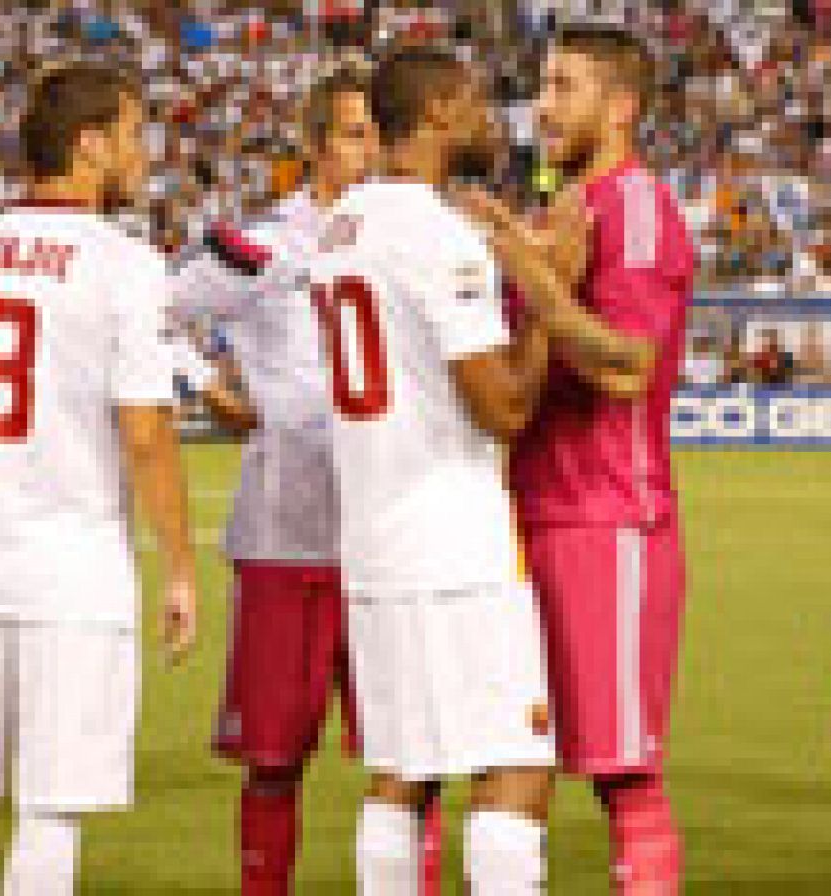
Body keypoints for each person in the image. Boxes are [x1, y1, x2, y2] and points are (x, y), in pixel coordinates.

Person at [0, 60, 201, 896]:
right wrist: (179, 566)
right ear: (89, 144)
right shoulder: (122, 263)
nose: (143, 154)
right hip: (71, 571)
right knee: (49, 806)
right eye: (132, 134)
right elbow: (145, 433)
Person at [173, 69, 445, 895]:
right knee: (273, 761)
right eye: (355, 134)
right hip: (287, 535)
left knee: (412, 759)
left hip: (390, 538)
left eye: (378, 134)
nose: (371, 151)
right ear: (315, 146)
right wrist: (206, 386)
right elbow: (153, 313)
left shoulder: (412, 236)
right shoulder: (265, 244)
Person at [307, 46, 556, 894]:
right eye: (480, 104)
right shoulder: (436, 233)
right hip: (453, 544)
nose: (494, 122)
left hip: (375, 543)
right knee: (516, 765)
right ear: (443, 110)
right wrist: (549, 302)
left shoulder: (338, 227)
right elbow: (505, 408)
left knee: (403, 770)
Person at [457, 23, 697, 893]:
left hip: (609, 519)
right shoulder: (567, 207)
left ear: (621, 106)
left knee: (624, 774)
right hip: (526, 517)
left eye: (565, 87)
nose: (543, 107)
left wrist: (532, 270)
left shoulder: (634, 208)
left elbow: (629, 366)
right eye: (543, 86)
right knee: (509, 756)